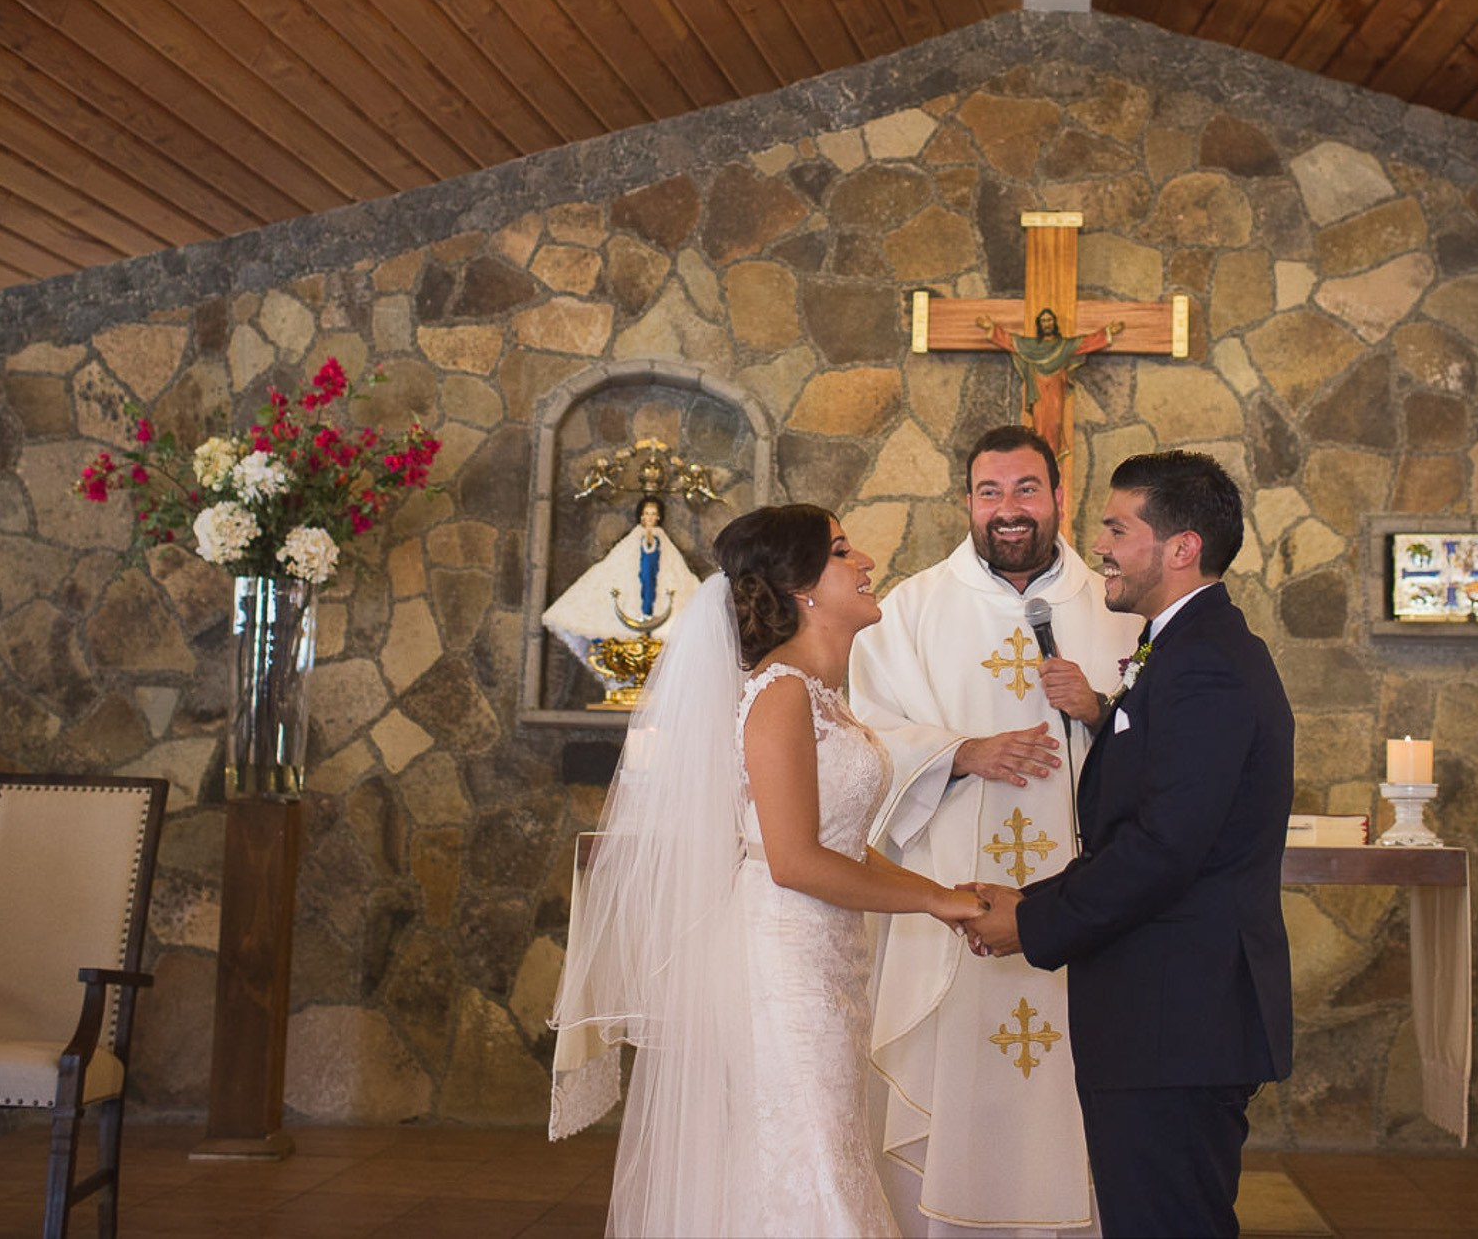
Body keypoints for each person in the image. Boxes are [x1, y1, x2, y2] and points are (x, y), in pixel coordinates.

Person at [549, 504, 982, 1237]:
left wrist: (945, 897)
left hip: (825, 961)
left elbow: (836, 845)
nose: (866, 560)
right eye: (844, 551)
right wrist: (936, 899)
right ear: (801, 588)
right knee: (811, 1160)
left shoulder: (819, 698)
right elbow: (795, 861)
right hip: (784, 969)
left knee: (818, 1151)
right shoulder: (779, 695)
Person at [962, 452, 1294, 1239]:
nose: (1100, 545)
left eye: (1118, 527)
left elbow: (1163, 850)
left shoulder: (1205, 662)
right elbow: (1147, 828)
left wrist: (1032, 924)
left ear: (1180, 547)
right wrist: (1031, 900)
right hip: (1166, 1016)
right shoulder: (1176, 647)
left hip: (1176, 1020)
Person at [850, 426, 1141, 1237]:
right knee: (958, 1081)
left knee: (1076, 1091)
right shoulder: (907, 609)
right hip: (958, 900)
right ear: (967, 502)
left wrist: (1099, 710)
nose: (1008, 509)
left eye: (1025, 489)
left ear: (1058, 496)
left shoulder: (1118, 608)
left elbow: (1164, 747)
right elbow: (862, 738)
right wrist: (959, 752)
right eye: (990, 492)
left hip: (1084, 910)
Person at [541, 494, 702, 667]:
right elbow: (619, 563)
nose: (649, 517)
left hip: (656, 587)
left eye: (653, 513)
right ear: (641, 516)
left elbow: (665, 565)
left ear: (658, 517)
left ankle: (648, 622)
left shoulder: (661, 541)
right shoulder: (633, 539)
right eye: (646, 513)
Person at [977, 307, 1120, 460]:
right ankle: (1041, 457)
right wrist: (992, 328)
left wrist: (1107, 332)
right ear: (1040, 324)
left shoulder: (1063, 346)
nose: (1047, 323)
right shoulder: (1031, 346)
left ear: (1054, 323)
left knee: (1056, 423)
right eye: (1044, 320)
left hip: (1055, 388)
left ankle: (1052, 457)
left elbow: (1084, 343)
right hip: (1038, 389)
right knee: (1039, 424)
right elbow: (1012, 342)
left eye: (1049, 320)